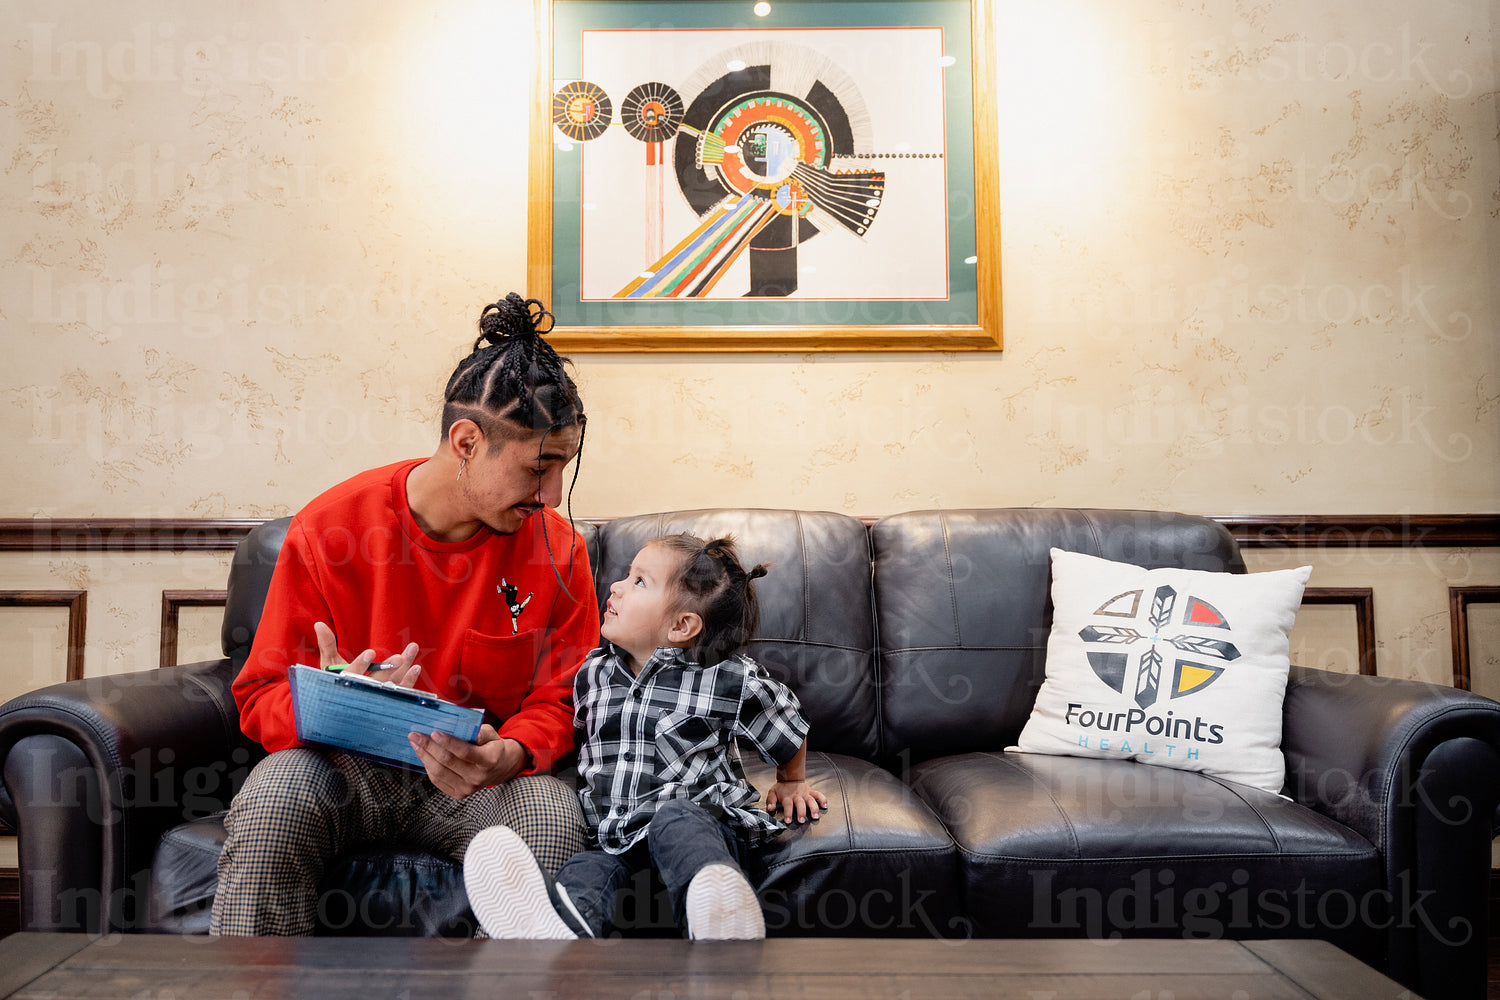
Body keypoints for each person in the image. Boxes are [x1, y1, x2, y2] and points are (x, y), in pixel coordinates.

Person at [210, 293, 599, 936]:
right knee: (274, 799)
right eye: (539, 467)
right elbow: (259, 696)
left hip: (477, 782)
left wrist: (509, 752)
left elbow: (563, 697)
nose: (552, 494)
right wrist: (337, 699)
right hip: (341, 768)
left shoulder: (559, 552)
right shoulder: (328, 531)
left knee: (553, 817)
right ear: (467, 441)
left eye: (563, 466)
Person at [463, 534, 829, 940]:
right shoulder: (593, 673)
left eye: (639, 582)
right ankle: (558, 933)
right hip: (615, 840)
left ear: (681, 625)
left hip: (696, 826)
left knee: (677, 819)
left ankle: (719, 914)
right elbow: (585, 746)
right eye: (626, 576)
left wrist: (791, 780)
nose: (616, 586)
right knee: (586, 870)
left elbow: (785, 719)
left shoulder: (724, 677)